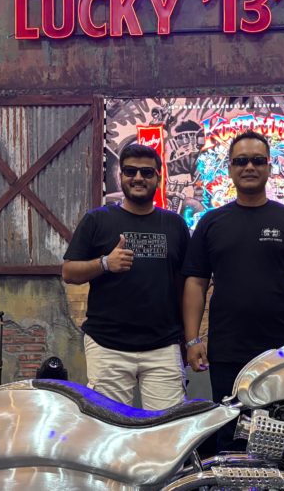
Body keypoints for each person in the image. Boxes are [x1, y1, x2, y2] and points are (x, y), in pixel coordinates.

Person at [182, 130, 284, 443]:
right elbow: (195, 281)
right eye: (241, 161)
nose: (249, 167)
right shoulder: (211, 223)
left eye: (258, 160)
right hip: (228, 350)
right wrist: (192, 339)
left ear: (269, 167)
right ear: (230, 168)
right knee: (230, 435)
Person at [62, 143, 190, 410]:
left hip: (163, 346)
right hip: (108, 345)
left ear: (158, 178)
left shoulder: (174, 224)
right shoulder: (97, 220)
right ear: (120, 176)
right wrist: (105, 263)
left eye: (147, 172)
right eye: (130, 171)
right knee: (111, 427)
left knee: (168, 426)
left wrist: (189, 339)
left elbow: (185, 285)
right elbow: (69, 272)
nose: (138, 178)